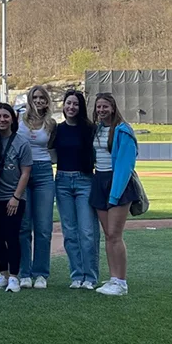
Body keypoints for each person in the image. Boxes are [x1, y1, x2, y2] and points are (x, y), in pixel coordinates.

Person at [91, 93, 139, 296]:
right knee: (108, 236)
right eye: (98, 107)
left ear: (113, 108)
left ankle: (121, 282)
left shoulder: (123, 130)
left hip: (117, 184)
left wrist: (114, 194)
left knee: (115, 235)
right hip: (99, 180)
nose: (101, 110)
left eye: (105, 107)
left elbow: (125, 166)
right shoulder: (98, 129)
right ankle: (113, 278)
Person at [0, 103, 32, 293]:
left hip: (12, 197)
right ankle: (3, 273)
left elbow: (25, 173)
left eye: (5, 116)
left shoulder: (21, 143)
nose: (2, 120)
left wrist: (16, 197)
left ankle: (14, 276)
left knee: (12, 236)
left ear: (12, 119)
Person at [55, 90, 99, 290]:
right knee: (70, 233)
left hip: (84, 181)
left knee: (87, 232)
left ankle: (90, 276)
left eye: (75, 104)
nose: (71, 107)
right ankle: (76, 275)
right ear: (63, 106)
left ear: (80, 107)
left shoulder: (89, 129)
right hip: (62, 181)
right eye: (68, 103)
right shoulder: (57, 129)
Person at [17, 85, 57, 289]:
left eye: (42, 97)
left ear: (47, 101)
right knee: (24, 226)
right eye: (35, 97)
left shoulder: (51, 123)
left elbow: (54, 149)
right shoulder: (19, 120)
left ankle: (41, 273)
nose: (39, 100)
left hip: (43, 172)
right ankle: (24, 272)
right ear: (29, 99)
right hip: (22, 171)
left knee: (43, 227)